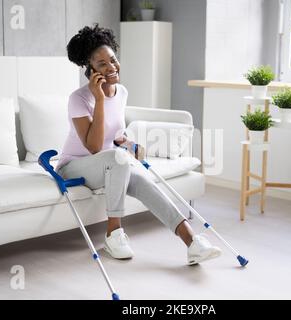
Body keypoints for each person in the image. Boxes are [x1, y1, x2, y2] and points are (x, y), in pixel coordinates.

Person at [56, 24, 221, 265]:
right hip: (75, 166)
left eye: (112, 59)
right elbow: (92, 146)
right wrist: (100, 99)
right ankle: (114, 235)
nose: (111, 67)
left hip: (110, 163)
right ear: (91, 70)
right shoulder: (79, 98)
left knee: (146, 183)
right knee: (117, 160)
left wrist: (128, 143)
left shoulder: (121, 93)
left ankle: (193, 242)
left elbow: (114, 136)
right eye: (102, 64)